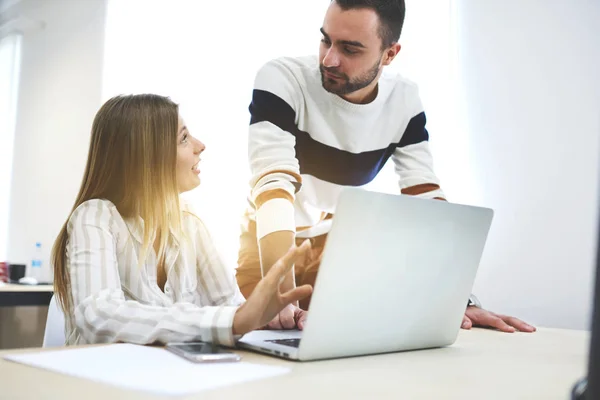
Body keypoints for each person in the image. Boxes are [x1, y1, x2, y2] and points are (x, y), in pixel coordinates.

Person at [235, 0, 536, 333]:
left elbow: (426, 199)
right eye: (326, 40)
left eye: (350, 49)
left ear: (390, 54)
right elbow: (273, 186)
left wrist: (458, 300)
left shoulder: (403, 101)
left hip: (334, 257)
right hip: (268, 254)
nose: (329, 59)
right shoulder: (282, 78)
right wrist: (279, 292)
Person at [51, 94, 312, 346]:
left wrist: (269, 318)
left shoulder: (189, 221)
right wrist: (232, 320)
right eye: (184, 138)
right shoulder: (95, 217)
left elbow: (229, 307)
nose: (200, 145)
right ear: (147, 158)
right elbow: (100, 316)